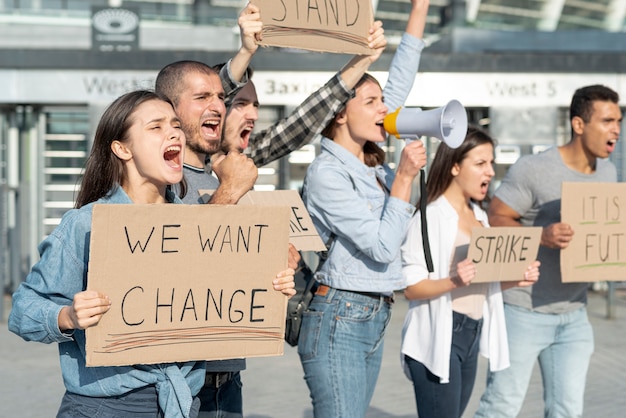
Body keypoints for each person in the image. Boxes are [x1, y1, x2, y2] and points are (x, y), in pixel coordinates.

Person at [155, 3, 388, 417]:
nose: (248, 113)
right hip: (182, 374)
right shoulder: (165, 170)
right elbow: (176, 261)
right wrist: (244, 53)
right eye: (237, 102)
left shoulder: (241, 162)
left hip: (228, 376)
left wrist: (273, 260)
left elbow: (305, 119)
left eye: (249, 104)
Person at [8, 90, 203, 417]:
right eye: (156, 127)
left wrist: (270, 287)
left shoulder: (200, 227)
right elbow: (22, 311)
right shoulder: (85, 224)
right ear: (122, 148)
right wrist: (67, 317)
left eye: (176, 125)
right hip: (105, 408)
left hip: (182, 404)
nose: (173, 133)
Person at [296, 3, 432, 416]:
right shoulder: (327, 174)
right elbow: (379, 247)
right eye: (372, 101)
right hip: (340, 314)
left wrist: (419, 8)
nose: (384, 111)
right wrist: (405, 179)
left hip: (372, 311)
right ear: (340, 112)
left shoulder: (370, 160)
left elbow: (402, 74)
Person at [474, 84, 622, 418]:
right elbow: (495, 218)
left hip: (575, 315)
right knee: (500, 408)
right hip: (523, 313)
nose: (616, 128)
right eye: (607, 120)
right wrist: (541, 236)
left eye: (619, 120)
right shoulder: (534, 168)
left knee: (567, 412)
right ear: (579, 125)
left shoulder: (609, 173)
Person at [399, 127, 540, 418]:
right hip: (442, 332)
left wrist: (517, 278)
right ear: (454, 166)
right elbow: (410, 287)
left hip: (471, 333)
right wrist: (453, 280)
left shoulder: (480, 217)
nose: (489, 171)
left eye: (491, 163)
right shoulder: (430, 215)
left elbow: (480, 282)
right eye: (480, 164)